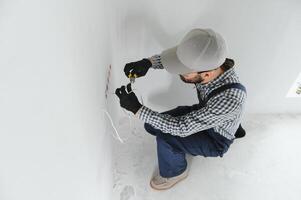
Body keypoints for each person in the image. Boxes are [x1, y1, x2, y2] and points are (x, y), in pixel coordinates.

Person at [115, 28, 247, 190]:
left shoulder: (229, 100)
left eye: (184, 72)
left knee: (166, 137)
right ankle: (226, 128)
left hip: (216, 139)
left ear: (206, 74)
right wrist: (148, 63)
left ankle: (175, 172)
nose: (179, 73)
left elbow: (181, 127)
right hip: (207, 114)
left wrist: (138, 109)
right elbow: (179, 59)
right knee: (151, 125)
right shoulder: (210, 57)